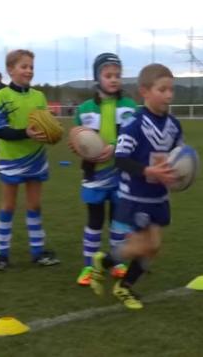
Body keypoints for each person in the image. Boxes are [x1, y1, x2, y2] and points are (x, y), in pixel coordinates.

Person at [89, 63, 182, 310]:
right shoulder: (135, 124)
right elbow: (120, 159)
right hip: (135, 196)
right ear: (145, 92)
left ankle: (120, 281)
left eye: (171, 90)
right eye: (162, 90)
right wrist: (148, 171)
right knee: (144, 245)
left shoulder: (174, 125)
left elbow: (177, 157)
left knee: (154, 247)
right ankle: (108, 267)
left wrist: (178, 175)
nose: (169, 95)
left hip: (158, 196)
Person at [0, 49, 60, 272]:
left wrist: (52, 132)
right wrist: (25, 133)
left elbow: (44, 125)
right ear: (11, 70)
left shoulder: (39, 97)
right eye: (24, 66)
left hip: (36, 158)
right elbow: (0, 131)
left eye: (31, 67)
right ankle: (2, 254)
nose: (29, 70)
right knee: (8, 206)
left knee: (34, 205)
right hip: (11, 160)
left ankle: (38, 252)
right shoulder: (1, 96)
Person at [70, 53, 137, 286]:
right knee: (95, 220)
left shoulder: (129, 106)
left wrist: (115, 147)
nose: (114, 79)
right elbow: (77, 140)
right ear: (97, 77)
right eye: (108, 75)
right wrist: (80, 147)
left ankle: (117, 261)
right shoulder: (85, 109)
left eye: (117, 75)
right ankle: (89, 265)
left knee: (119, 221)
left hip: (122, 174)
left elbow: (135, 136)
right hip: (94, 175)